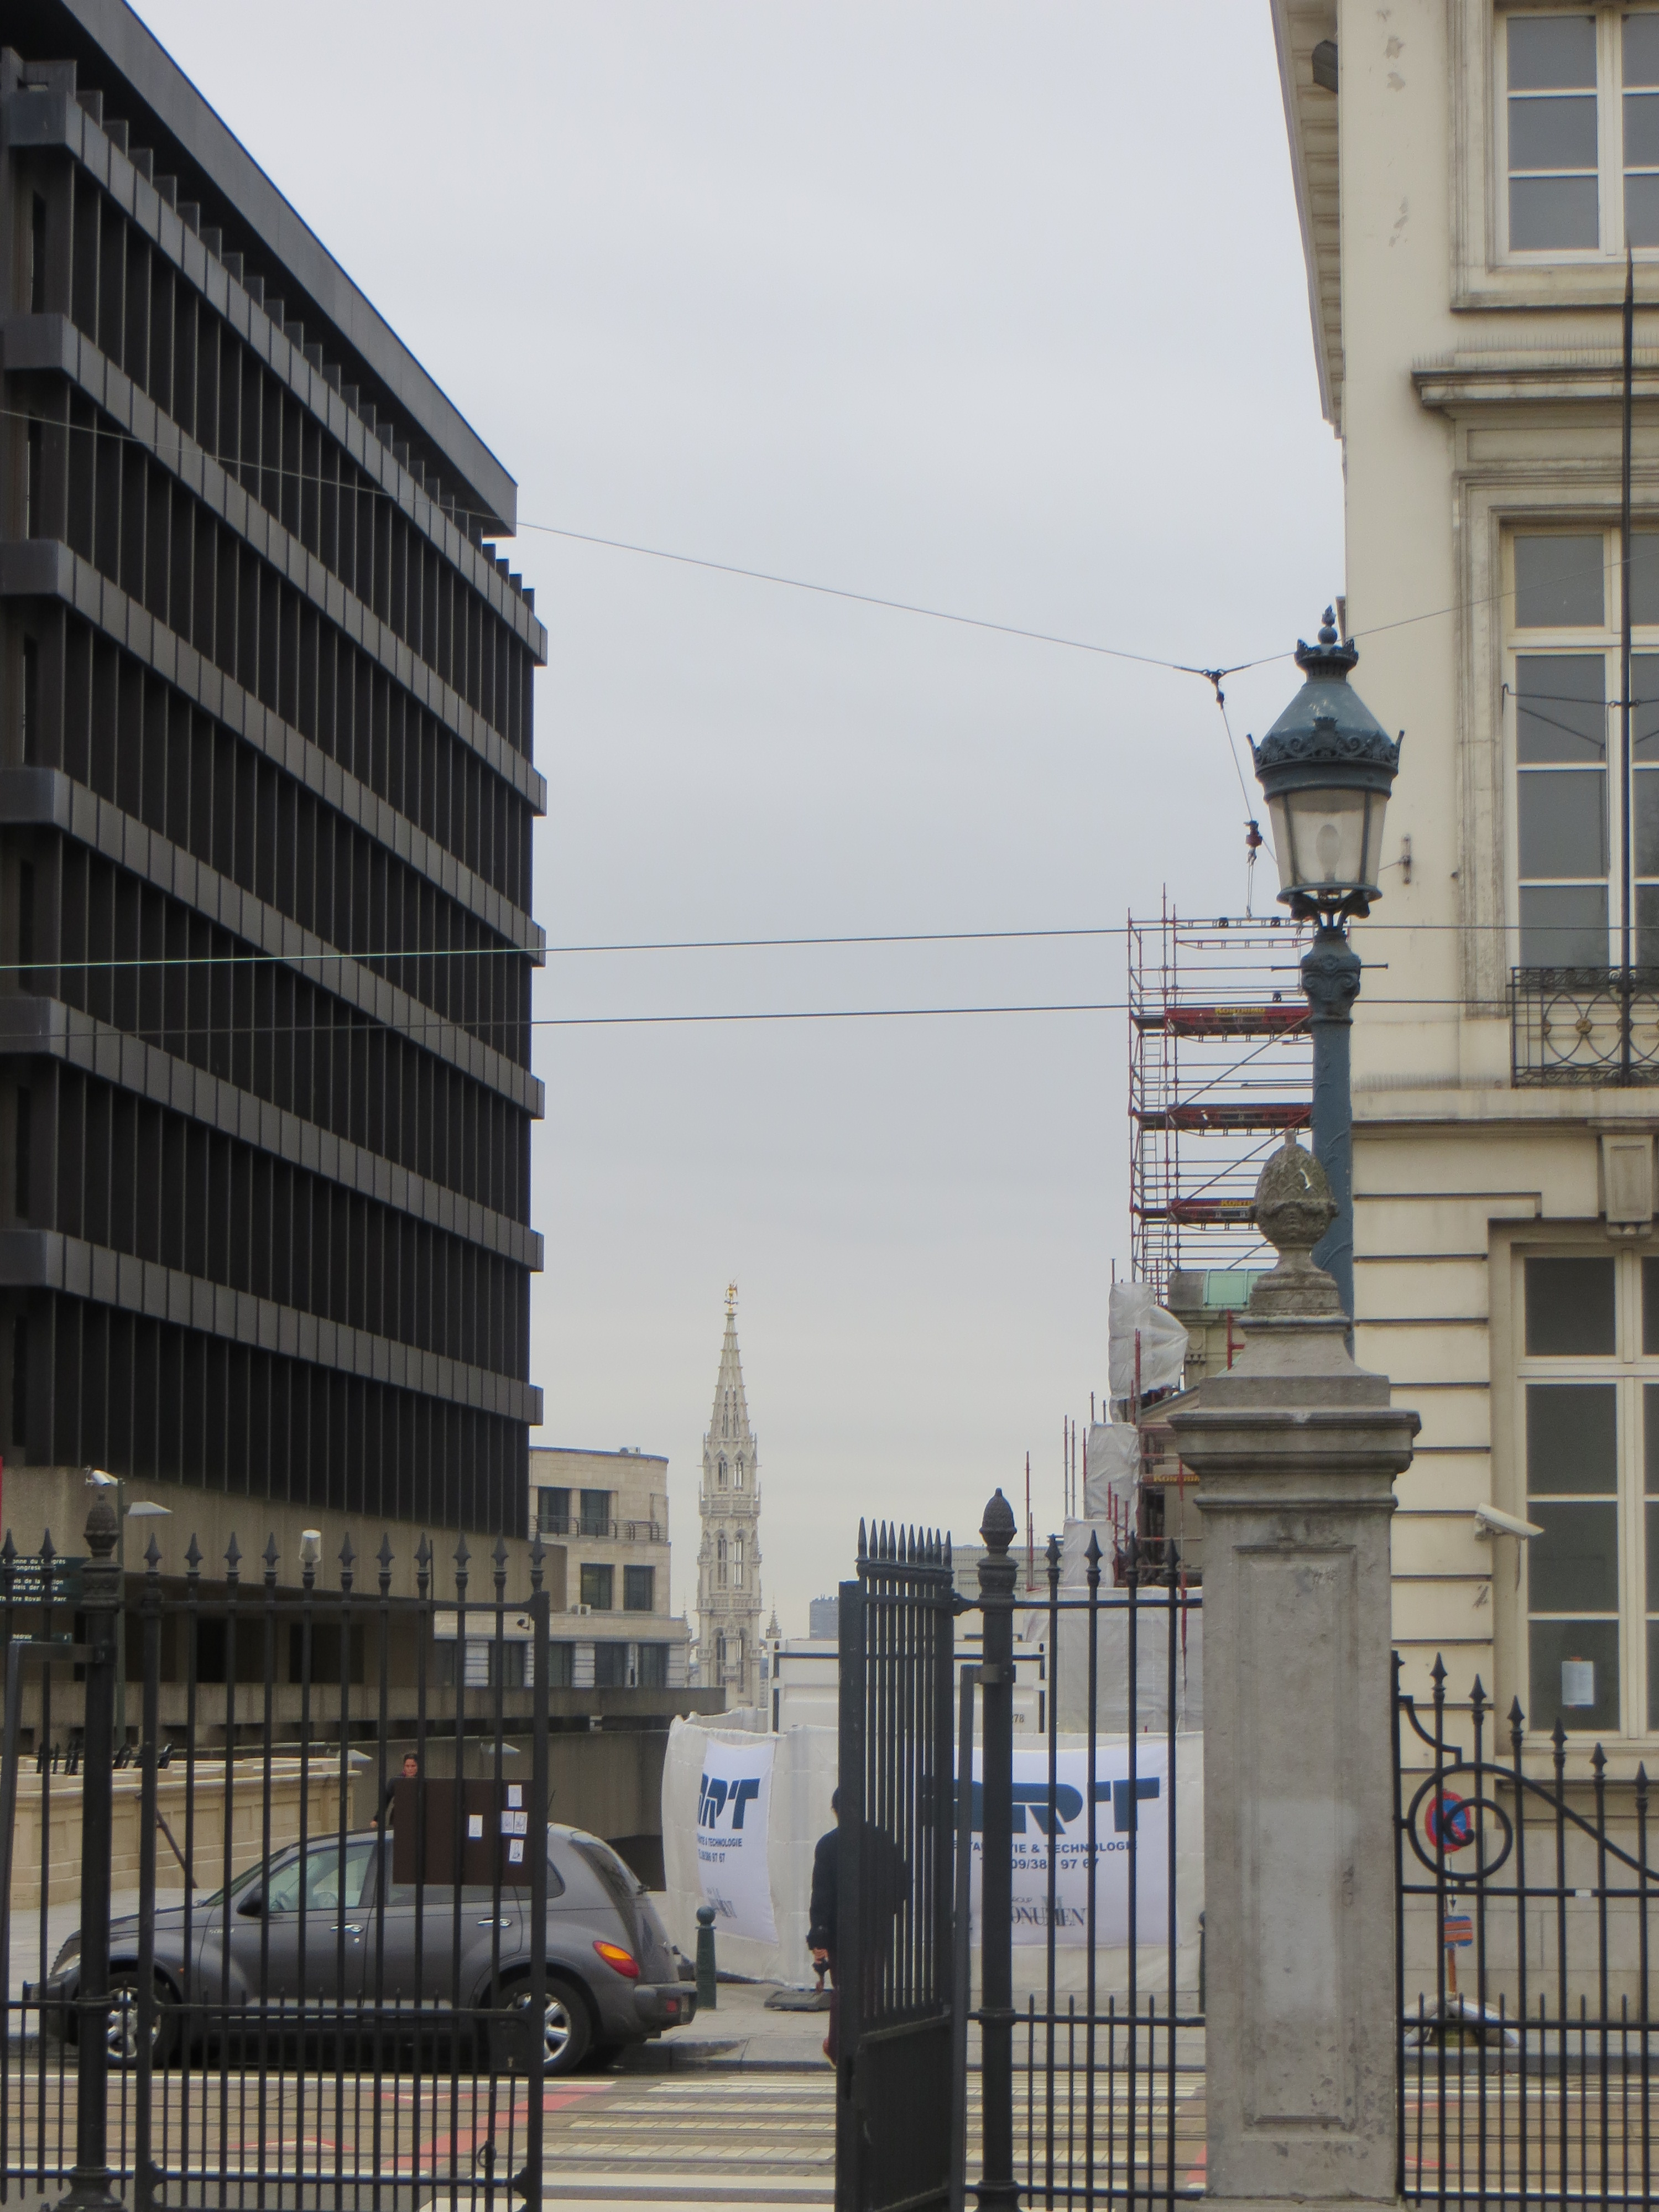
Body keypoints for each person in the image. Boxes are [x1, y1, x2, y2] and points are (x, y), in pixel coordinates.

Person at [808, 1789, 839, 2064]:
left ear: (835, 1811)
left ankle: (838, 2045)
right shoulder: (879, 1841)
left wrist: (820, 1939)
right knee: (871, 1991)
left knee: (843, 1990)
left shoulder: (828, 1846)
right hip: (874, 1935)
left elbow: (822, 1896)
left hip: (841, 1936)